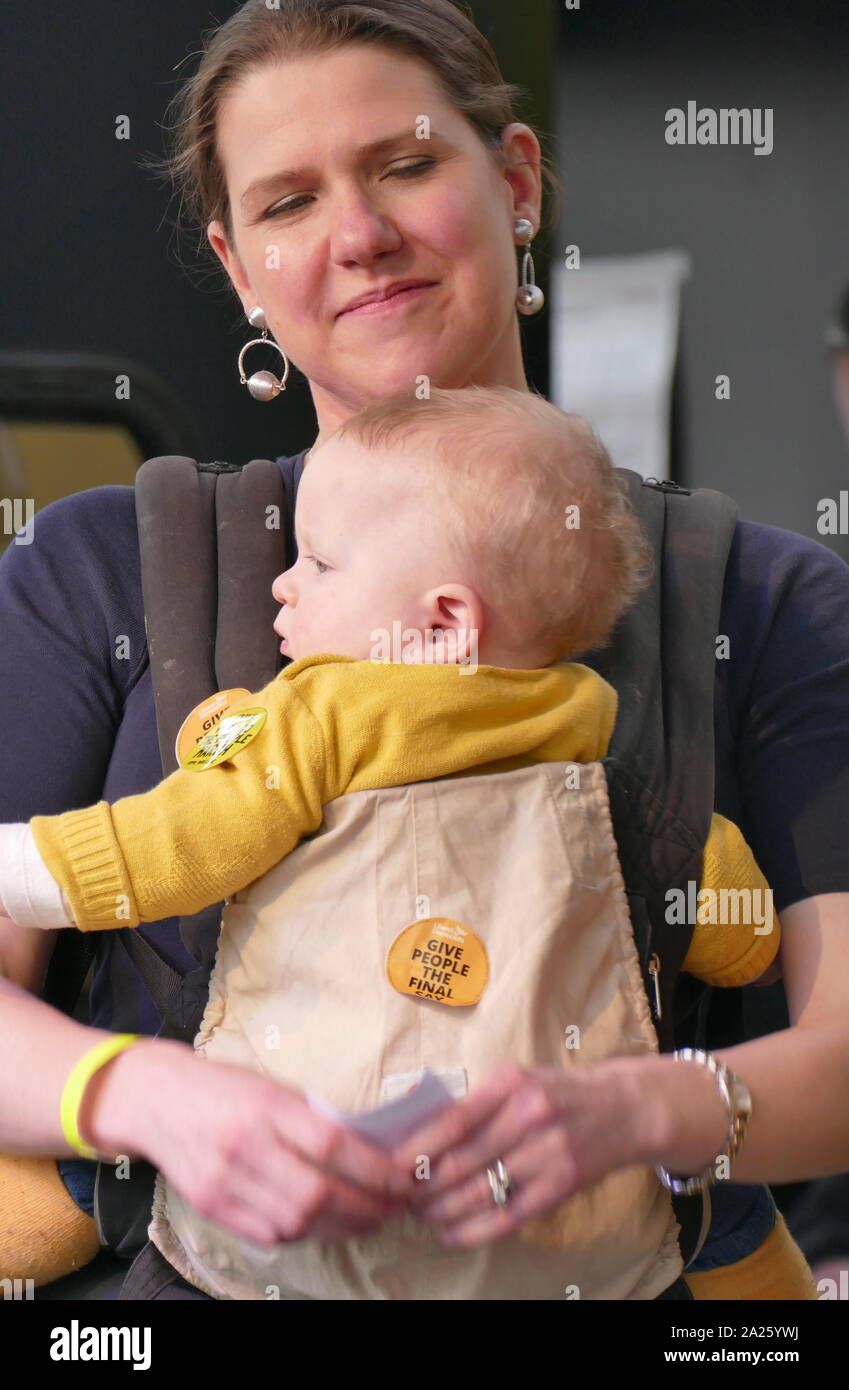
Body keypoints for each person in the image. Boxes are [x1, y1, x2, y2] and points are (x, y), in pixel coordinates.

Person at [1, 0, 848, 1302]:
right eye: (287, 203)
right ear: (239, 268)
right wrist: (146, 1096)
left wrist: (653, 1110)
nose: (357, 235)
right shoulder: (103, 565)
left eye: (404, 165)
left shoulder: (766, 596)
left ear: (513, 182)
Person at [0, 387, 817, 1298]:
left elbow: (178, 841)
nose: (284, 581)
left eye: (318, 563)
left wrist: (33, 872)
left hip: (288, 1203)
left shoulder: (314, 715)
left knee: (91, 1194)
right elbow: (731, 918)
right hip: (570, 1234)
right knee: (714, 1222)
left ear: (442, 622)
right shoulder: (608, 755)